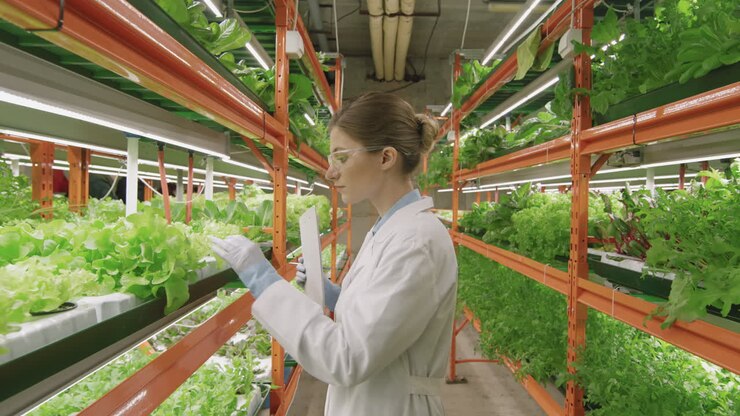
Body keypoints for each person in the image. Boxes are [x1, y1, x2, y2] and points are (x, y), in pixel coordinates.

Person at [211, 92, 457, 416]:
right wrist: (338, 298)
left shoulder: (415, 242)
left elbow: (346, 358)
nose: (329, 172)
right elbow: (381, 319)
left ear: (385, 158)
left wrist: (264, 282)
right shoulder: (389, 230)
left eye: (341, 157)